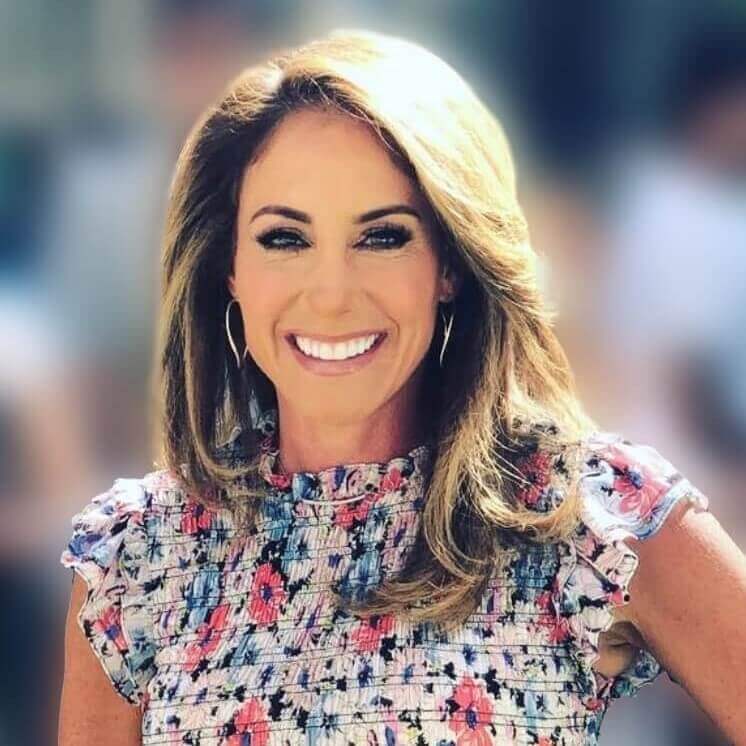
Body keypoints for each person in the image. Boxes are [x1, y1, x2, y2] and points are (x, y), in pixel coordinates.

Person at [57, 29, 746, 745]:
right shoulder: (137, 560)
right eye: (284, 238)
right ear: (229, 269)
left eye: (383, 236)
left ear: (448, 264)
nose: (331, 294)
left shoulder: (589, 515)